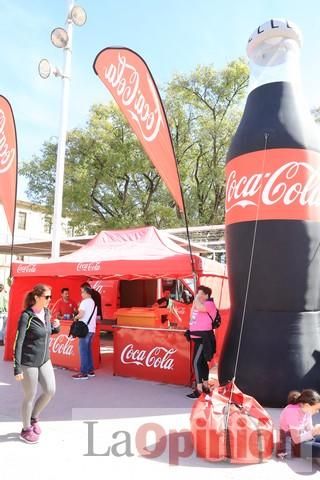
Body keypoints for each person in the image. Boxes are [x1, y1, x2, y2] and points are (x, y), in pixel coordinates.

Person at [14, 284, 60, 444]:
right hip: (29, 361)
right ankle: (25, 429)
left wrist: (56, 328)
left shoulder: (46, 312)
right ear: (37, 297)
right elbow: (18, 342)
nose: (50, 300)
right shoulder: (26, 316)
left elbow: (46, 333)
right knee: (30, 395)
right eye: (47, 297)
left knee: (50, 390)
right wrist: (17, 367)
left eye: (50, 296)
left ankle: (34, 417)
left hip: (44, 359)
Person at [185, 285, 217, 399]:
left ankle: (199, 389)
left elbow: (199, 307)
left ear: (206, 295)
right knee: (202, 363)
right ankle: (205, 386)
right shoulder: (199, 304)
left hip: (204, 339)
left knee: (196, 362)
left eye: (200, 293)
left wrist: (196, 299)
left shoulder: (209, 304)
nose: (198, 295)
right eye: (197, 293)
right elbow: (192, 316)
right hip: (198, 338)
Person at [278, 389, 320, 463]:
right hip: (292, 444)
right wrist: (314, 432)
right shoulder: (292, 412)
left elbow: (309, 429)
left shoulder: (307, 410)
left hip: (302, 438)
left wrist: (316, 429)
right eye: (316, 409)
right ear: (307, 405)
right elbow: (296, 439)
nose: (317, 411)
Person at [72, 285, 97, 380]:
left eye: (82, 292)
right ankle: (90, 370)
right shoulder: (93, 302)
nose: (81, 294)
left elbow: (81, 314)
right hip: (91, 329)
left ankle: (83, 372)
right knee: (88, 350)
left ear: (87, 293)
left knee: (83, 350)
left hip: (84, 329)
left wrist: (75, 317)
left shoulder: (84, 302)